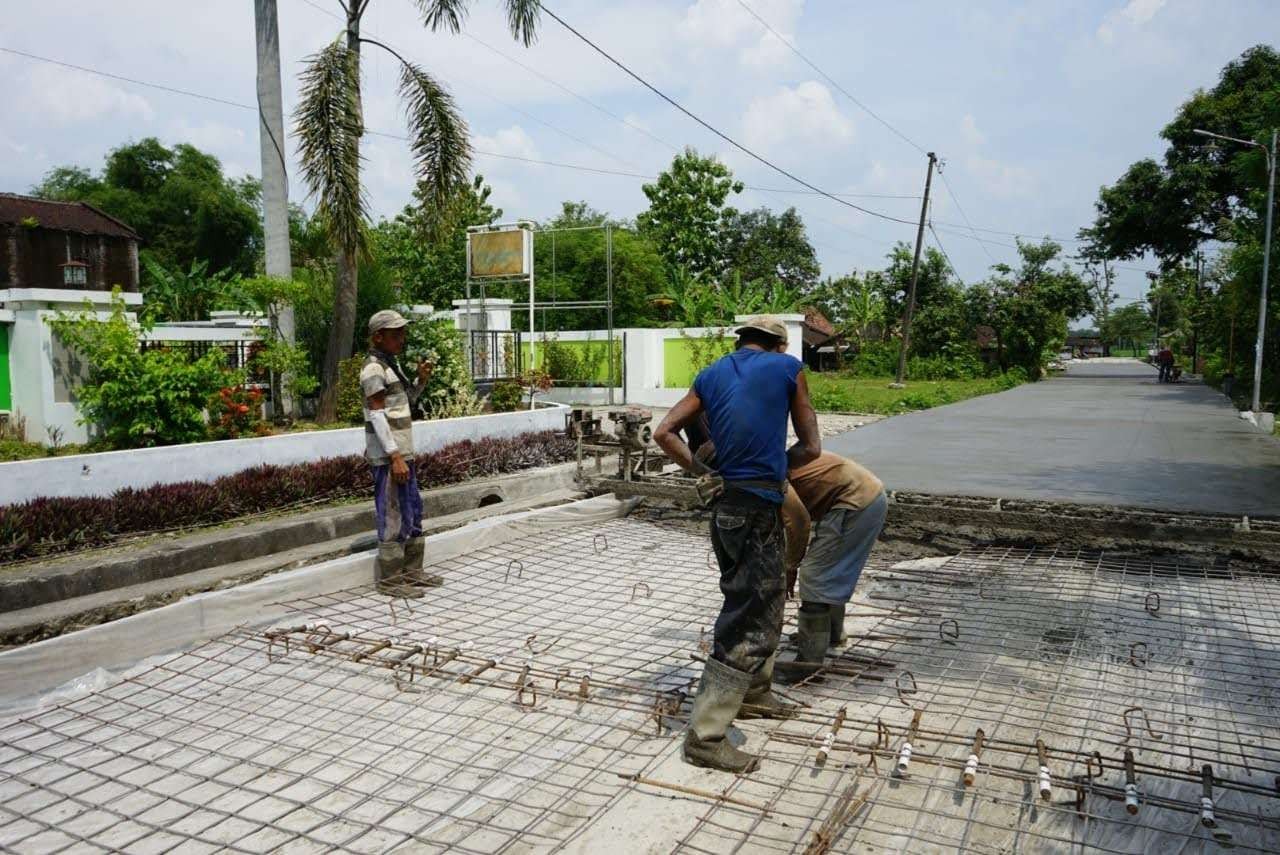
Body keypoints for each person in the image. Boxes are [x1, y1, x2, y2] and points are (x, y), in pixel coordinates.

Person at [654, 316, 821, 773]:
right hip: (757, 509)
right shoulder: (789, 369)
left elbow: (663, 433)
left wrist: (706, 473)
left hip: (725, 510)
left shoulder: (711, 374)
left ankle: (754, 693)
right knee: (751, 620)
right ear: (780, 345)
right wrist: (773, 469)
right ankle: (706, 737)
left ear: (742, 342)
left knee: (758, 600)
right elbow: (811, 447)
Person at [361, 309, 440, 598]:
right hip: (389, 456)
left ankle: (413, 571)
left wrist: (421, 380)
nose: (402, 339)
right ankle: (391, 581)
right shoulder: (373, 369)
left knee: (412, 510)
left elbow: (406, 402)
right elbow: (377, 415)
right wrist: (393, 456)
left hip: (403, 452)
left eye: (402, 333)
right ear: (378, 337)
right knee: (392, 515)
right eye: (396, 334)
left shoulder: (391, 366)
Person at [783, 452, 887, 668]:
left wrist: (790, 566)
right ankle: (830, 633)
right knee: (829, 571)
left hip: (857, 502)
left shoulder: (766, 471)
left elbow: (800, 522)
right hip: (866, 496)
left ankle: (809, 662)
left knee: (814, 575)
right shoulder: (766, 456)